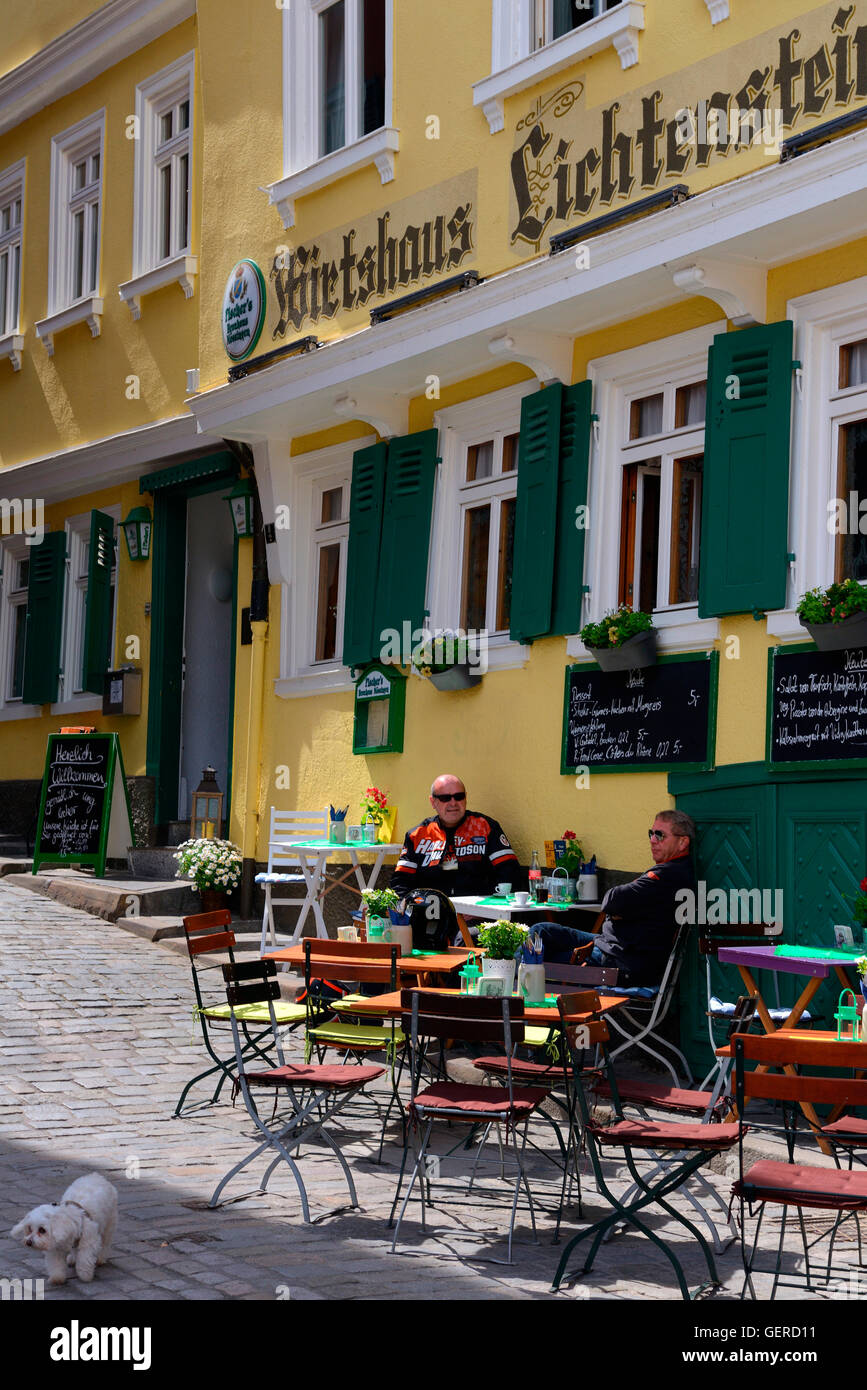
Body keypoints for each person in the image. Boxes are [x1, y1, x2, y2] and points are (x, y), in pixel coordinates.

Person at [534, 810, 697, 988]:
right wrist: (620, 911)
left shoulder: (668, 875)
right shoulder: (671, 871)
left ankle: (515, 999)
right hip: (609, 946)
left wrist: (620, 911)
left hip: (620, 964)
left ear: (683, 842)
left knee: (537, 961)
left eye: (660, 835)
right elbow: (616, 906)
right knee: (541, 932)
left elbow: (612, 901)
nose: (652, 840)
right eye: (651, 833)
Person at [390, 774, 518, 898]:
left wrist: (487, 908)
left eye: (459, 796)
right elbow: (401, 882)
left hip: (479, 915)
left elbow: (509, 872)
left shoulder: (485, 827)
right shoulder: (417, 835)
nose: (453, 803)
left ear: (466, 798)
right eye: (445, 798)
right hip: (431, 915)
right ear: (433, 802)